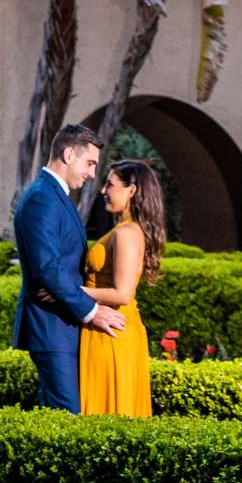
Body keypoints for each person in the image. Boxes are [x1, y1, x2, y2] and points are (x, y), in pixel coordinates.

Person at [12, 123, 125, 414]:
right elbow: (48, 268)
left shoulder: (54, 196)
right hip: (51, 328)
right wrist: (92, 309)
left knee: (58, 419)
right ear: (68, 154)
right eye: (89, 163)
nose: (91, 173)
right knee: (67, 418)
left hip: (63, 326)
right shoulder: (42, 198)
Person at [79, 158, 164, 417]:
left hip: (112, 330)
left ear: (132, 190)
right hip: (106, 327)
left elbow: (122, 293)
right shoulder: (124, 229)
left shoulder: (127, 233)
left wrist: (72, 293)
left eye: (110, 185)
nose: (104, 190)